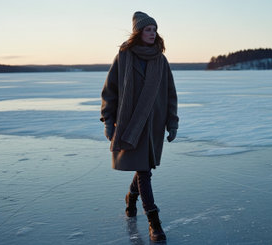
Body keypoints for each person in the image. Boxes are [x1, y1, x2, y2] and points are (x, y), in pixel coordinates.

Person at [100, 11, 178, 242]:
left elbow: (170, 94)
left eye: (154, 30)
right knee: (144, 171)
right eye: (148, 30)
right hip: (130, 123)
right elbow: (110, 91)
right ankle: (155, 223)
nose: (152, 34)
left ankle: (131, 197)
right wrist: (107, 121)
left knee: (144, 168)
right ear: (138, 32)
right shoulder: (123, 57)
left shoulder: (160, 60)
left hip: (153, 124)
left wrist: (172, 123)